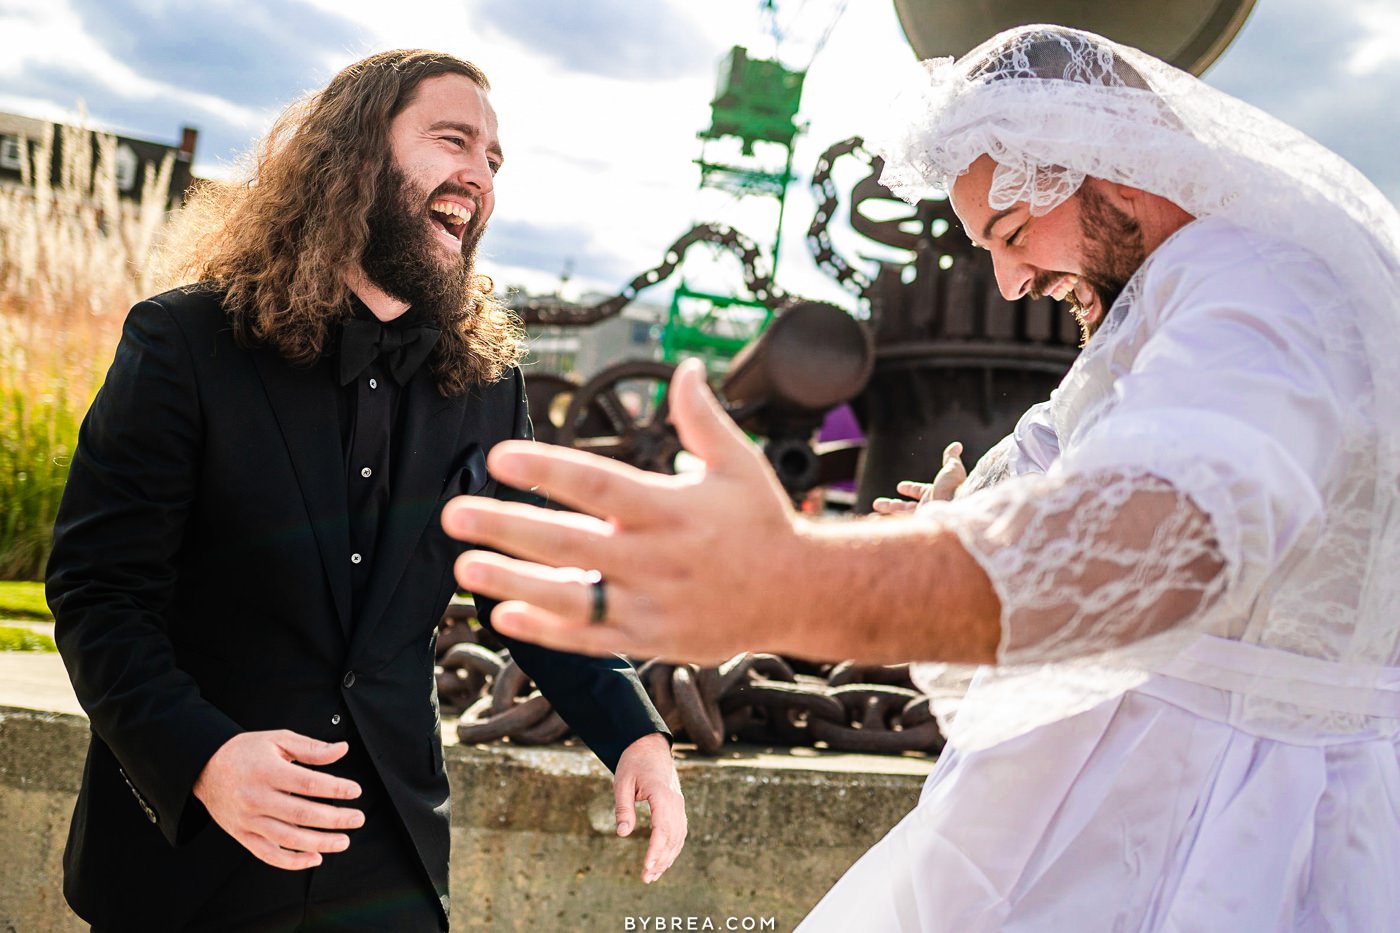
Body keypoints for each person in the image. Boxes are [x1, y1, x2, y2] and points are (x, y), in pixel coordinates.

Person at [439, 25, 1400, 930]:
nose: (1013, 281)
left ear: (1119, 167)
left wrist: (793, 584)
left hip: (1232, 844)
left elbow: (1175, 534)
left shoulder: (1262, 291)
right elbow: (1056, 466)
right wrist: (959, 521)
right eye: (989, 249)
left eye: (1017, 230)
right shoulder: (1168, 308)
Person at [46, 49, 684, 932]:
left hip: (391, 864)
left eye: (493, 159)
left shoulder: (490, 388)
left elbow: (525, 584)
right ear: (353, 156)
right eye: (452, 139)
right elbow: (98, 595)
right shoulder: (183, 343)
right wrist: (204, 757)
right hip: (188, 858)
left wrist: (635, 729)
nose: (478, 174)